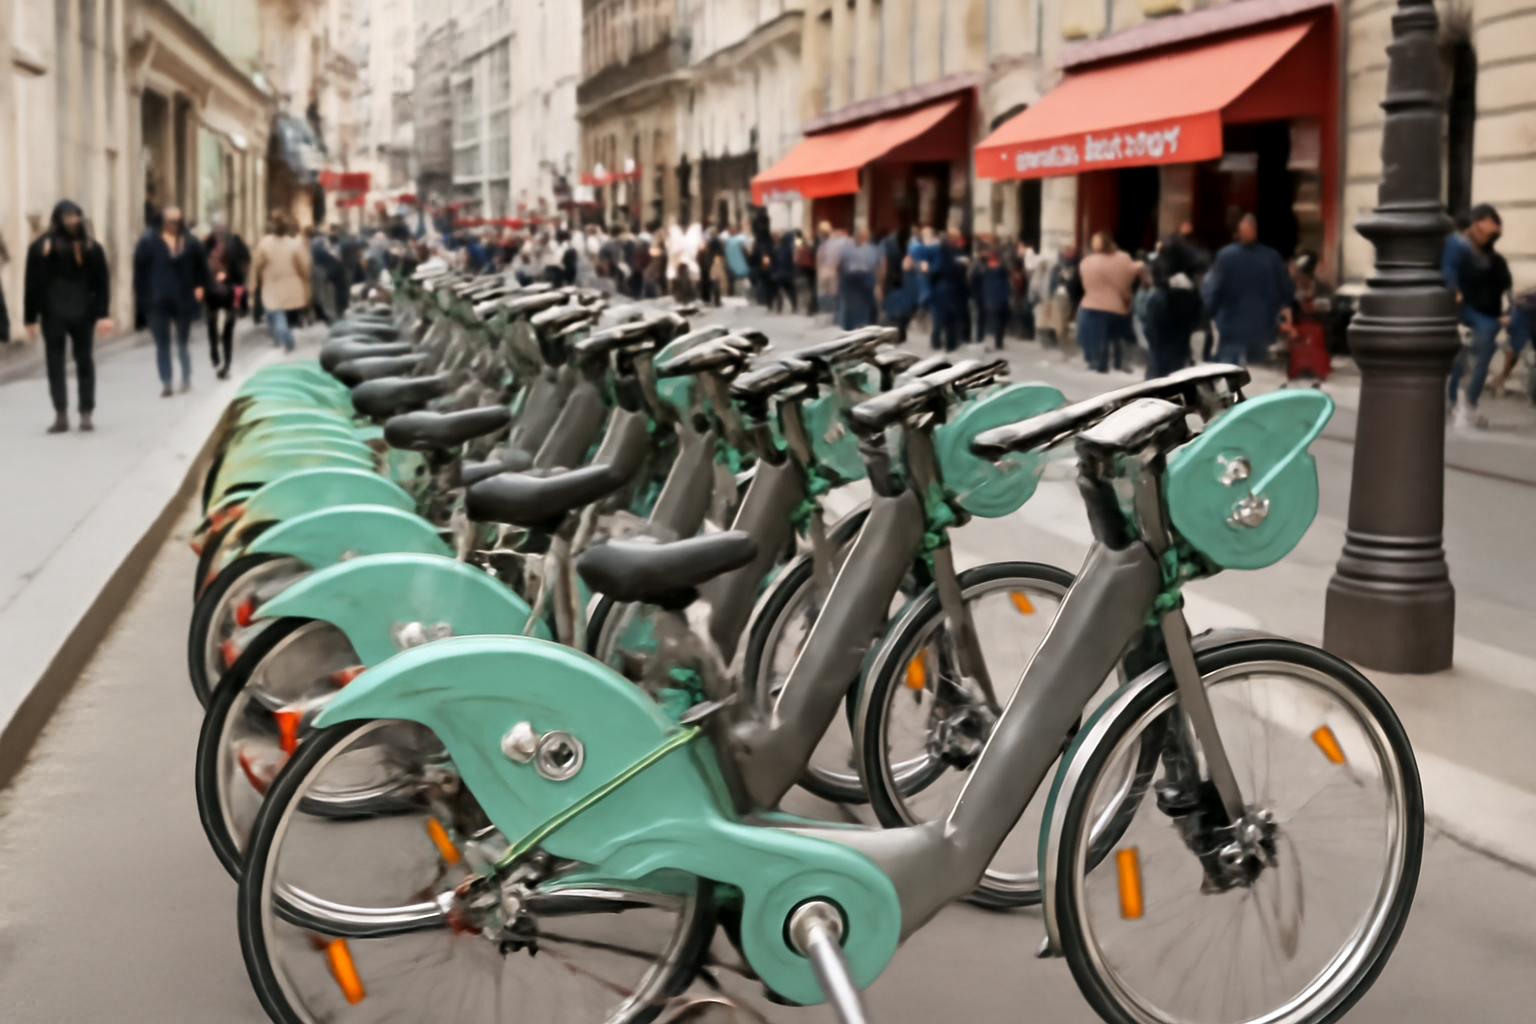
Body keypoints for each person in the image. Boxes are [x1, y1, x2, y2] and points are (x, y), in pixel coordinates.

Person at [24, 200, 112, 431]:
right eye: (68, 217)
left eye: (76, 216)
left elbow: (101, 283)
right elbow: (32, 283)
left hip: (83, 313)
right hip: (52, 313)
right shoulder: (40, 248)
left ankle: (85, 412)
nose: (73, 221)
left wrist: (103, 314)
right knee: (55, 364)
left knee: (84, 360)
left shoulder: (91, 247)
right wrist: (29, 317)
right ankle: (61, 413)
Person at [1443, 204, 1522, 428]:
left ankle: (1464, 404)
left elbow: (1507, 289)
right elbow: (1449, 272)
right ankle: (1460, 404)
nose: (1488, 236)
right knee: (1466, 356)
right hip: (1469, 312)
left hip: (1486, 315)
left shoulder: (1494, 260)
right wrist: (1455, 292)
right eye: (1483, 229)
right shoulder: (1458, 247)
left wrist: (1508, 312)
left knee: (1474, 355)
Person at [133, 205, 208, 397]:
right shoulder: (149, 241)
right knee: (162, 343)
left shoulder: (191, 242)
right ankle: (166, 382)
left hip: (183, 298)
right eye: (170, 221)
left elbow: (201, 266)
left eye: (177, 221)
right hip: (157, 299)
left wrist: (200, 286)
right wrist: (142, 299)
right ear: (163, 221)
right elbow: (139, 271)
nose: (174, 225)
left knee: (182, 341)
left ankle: (185, 378)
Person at [1201, 213, 1294, 366]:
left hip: (1232, 326)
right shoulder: (1271, 257)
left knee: (1228, 370)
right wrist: (1284, 306)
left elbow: (1213, 289)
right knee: (1257, 369)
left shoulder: (1226, 256)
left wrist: (1207, 313)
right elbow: (1285, 286)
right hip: (1261, 324)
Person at [1145, 221, 1207, 379]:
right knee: (1175, 363)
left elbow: (1151, 329)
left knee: (1157, 361)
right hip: (1179, 336)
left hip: (1163, 329)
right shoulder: (1190, 286)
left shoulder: (1158, 293)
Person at [1075, 232, 1144, 372]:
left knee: (1094, 335)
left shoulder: (1087, 261)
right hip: (1117, 306)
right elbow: (1132, 274)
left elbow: (1085, 284)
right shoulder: (1123, 258)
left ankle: (1097, 361)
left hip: (1091, 305)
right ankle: (1120, 362)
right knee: (1119, 336)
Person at [250, 212, 312, 354]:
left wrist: (253, 286)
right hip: (289, 290)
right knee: (280, 318)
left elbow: (256, 267)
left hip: (274, 289)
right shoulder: (294, 245)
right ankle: (284, 343)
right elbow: (304, 267)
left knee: (277, 317)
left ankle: (285, 343)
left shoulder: (265, 244)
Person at [204, 214, 250, 379]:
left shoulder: (211, 243)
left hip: (219, 291)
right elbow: (245, 263)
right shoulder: (231, 242)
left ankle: (220, 359)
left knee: (218, 325)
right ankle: (221, 358)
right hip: (225, 291)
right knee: (222, 327)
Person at [929, 228, 971, 352]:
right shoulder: (940, 250)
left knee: (952, 317)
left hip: (956, 288)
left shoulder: (959, 251)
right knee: (941, 316)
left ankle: (950, 343)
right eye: (953, 237)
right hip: (943, 287)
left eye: (957, 237)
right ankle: (937, 340)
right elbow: (938, 269)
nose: (955, 240)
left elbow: (964, 269)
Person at [836, 226, 883, 330]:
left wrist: (878, 284)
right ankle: (851, 327)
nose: (861, 237)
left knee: (867, 305)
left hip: (866, 278)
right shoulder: (846, 249)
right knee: (851, 306)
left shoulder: (873, 250)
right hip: (851, 279)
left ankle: (864, 326)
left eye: (864, 235)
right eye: (859, 235)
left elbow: (878, 267)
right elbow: (840, 265)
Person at [973, 242, 1012, 350]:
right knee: (986, 319)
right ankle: (982, 340)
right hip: (985, 297)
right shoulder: (981, 267)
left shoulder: (1001, 267)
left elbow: (1006, 280)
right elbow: (975, 282)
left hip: (1000, 298)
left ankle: (998, 341)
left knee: (1001, 319)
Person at [880, 226, 916, 340]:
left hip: (900, 280)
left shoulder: (891, 244)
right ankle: (896, 332)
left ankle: (897, 331)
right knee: (896, 310)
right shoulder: (889, 244)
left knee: (899, 309)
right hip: (895, 280)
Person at [816, 223, 850, 321]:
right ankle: (832, 314)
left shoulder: (834, 242)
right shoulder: (828, 243)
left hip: (831, 272)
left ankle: (832, 314)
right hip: (830, 271)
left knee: (831, 293)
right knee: (831, 293)